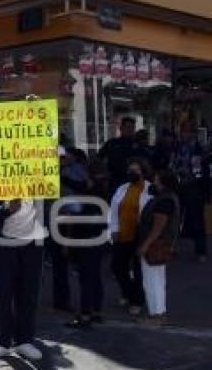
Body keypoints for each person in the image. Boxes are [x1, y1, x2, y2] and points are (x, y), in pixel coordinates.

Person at [0, 199, 48, 362]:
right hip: (4, 243)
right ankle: (1, 342)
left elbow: (51, 203)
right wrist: (6, 208)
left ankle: (24, 340)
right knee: (2, 293)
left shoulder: (40, 181)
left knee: (29, 293)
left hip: (33, 244)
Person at [65, 159, 111, 329]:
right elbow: (74, 184)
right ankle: (95, 311)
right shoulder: (97, 190)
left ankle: (85, 314)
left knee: (86, 278)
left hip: (87, 240)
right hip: (96, 240)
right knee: (94, 277)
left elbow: (80, 215)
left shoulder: (93, 194)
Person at [108, 157, 152, 316]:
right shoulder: (122, 188)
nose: (131, 173)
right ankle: (128, 292)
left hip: (140, 235)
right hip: (122, 233)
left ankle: (137, 301)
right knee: (117, 267)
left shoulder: (150, 189)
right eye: (129, 170)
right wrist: (113, 229)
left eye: (135, 170)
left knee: (139, 270)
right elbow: (113, 210)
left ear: (143, 172)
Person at [137, 170, 181, 324]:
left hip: (156, 245)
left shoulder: (164, 201)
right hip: (161, 244)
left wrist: (145, 245)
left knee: (152, 279)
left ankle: (156, 315)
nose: (154, 182)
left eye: (156, 180)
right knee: (157, 279)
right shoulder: (169, 198)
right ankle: (159, 313)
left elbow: (158, 226)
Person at [173, 124, 208, 262]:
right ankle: (172, 247)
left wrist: (198, 184)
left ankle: (201, 251)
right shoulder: (178, 147)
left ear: (192, 133)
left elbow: (200, 171)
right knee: (175, 217)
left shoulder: (198, 148)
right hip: (179, 185)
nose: (183, 134)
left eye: (186, 132)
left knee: (196, 218)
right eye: (182, 132)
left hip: (193, 186)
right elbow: (173, 163)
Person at [99, 117, 142, 195]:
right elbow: (99, 159)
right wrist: (105, 174)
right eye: (127, 126)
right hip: (114, 180)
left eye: (132, 127)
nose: (130, 129)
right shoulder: (112, 143)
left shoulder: (138, 145)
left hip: (133, 180)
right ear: (121, 128)